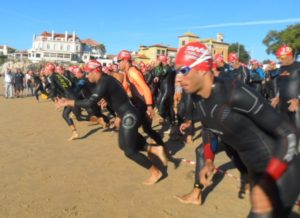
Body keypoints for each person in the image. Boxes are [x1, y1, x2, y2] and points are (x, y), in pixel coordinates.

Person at [175, 41, 299, 218]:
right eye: (176, 71)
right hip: (256, 171)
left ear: (202, 69)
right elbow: (210, 128)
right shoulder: (196, 96)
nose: (178, 78)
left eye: (183, 70)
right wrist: (209, 160)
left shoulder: (234, 93)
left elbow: (289, 134)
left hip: (281, 170)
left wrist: (268, 182)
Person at [56, 60, 167, 185]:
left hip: (129, 115)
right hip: (125, 114)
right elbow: (119, 96)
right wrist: (112, 106)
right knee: (122, 145)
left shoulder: (104, 81)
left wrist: (68, 102)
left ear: (96, 71)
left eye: (88, 73)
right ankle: (153, 149)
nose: (87, 76)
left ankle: (155, 172)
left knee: (129, 151)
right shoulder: (106, 80)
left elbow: (89, 102)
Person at [117, 50, 167, 150]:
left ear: (126, 61)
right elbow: (124, 88)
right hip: (139, 104)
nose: (117, 63)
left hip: (143, 104)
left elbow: (145, 88)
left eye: (119, 61)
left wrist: (149, 107)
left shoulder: (133, 72)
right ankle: (162, 148)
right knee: (147, 129)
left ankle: (149, 148)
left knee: (131, 127)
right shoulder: (127, 73)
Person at [271, 45, 300, 130]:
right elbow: (280, 84)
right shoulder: (281, 68)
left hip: (296, 107)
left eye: (282, 57)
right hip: (283, 106)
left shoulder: (298, 66)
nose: (280, 60)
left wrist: (298, 100)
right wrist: (277, 97)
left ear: (290, 56)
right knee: (287, 132)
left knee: (297, 132)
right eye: (278, 57)